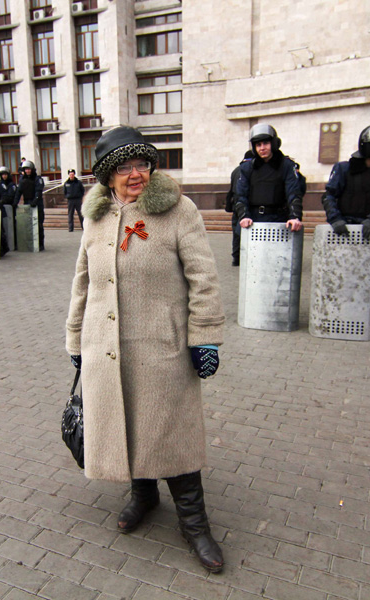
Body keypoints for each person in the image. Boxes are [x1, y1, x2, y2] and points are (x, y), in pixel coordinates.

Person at [65, 126, 226, 573]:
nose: (135, 174)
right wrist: (76, 338)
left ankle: (194, 523)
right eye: (124, 167)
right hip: (106, 343)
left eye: (142, 164)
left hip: (162, 345)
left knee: (170, 430)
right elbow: (83, 282)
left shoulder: (179, 210)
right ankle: (143, 495)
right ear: (106, 175)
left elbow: (204, 277)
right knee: (126, 422)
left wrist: (205, 336)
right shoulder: (95, 216)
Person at [322, 123, 370, 239]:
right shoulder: (344, 169)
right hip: (343, 229)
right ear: (367, 146)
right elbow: (329, 196)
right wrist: (335, 219)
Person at [234, 124, 303, 233]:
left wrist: (295, 216)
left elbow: (293, 193)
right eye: (258, 145)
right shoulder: (247, 168)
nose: (262, 148)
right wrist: (244, 216)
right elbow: (241, 195)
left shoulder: (286, 166)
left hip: (279, 220)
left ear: (273, 143)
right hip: (252, 221)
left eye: (266, 143)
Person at [226, 151, 253, 266]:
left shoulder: (235, 170)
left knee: (236, 233)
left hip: (236, 205)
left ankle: (236, 257)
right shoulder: (251, 170)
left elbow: (231, 189)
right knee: (247, 231)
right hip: (247, 206)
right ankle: (248, 257)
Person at [15, 160, 46, 249]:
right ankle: (29, 243)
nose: (27, 171)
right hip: (27, 204)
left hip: (37, 205)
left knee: (39, 224)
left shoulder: (37, 179)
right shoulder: (22, 180)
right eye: (26, 169)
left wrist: (35, 201)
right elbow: (19, 192)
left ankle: (40, 244)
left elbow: (38, 191)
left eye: (29, 169)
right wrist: (15, 202)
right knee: (27, 225)